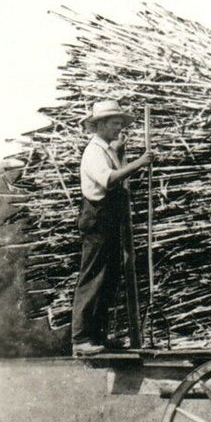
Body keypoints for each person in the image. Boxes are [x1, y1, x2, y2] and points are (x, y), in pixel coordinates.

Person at [71, 99, 151, 355]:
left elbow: (112, 162)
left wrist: (117, 151)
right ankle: (81, 338)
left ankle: (97, 336)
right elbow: (108, 179)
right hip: (97, 219)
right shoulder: (93, 151)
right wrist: (138, 163)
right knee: (93, 276)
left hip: (108, 219)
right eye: (115, 123)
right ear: (102, 124)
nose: (119, 128)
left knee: (109, 277)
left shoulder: (105, 149)